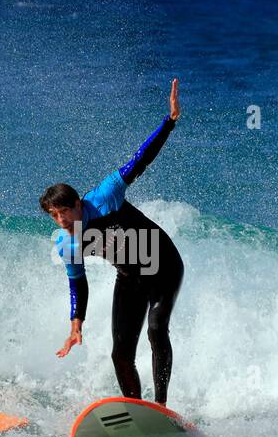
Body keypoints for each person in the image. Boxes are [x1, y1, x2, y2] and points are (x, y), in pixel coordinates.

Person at [40, 79, 183, 406]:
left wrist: (170, 121)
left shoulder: (105, 195)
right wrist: (76, 324)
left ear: (78, 203)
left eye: (65, 212)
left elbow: (140, 159)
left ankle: (161, 408)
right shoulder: (66, 244)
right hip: (130, 278)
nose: (62, 221)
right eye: (54, 216)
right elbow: (79, 285)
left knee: (156, 330)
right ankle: (137, 411)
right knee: (120, 354)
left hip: (162, 265)